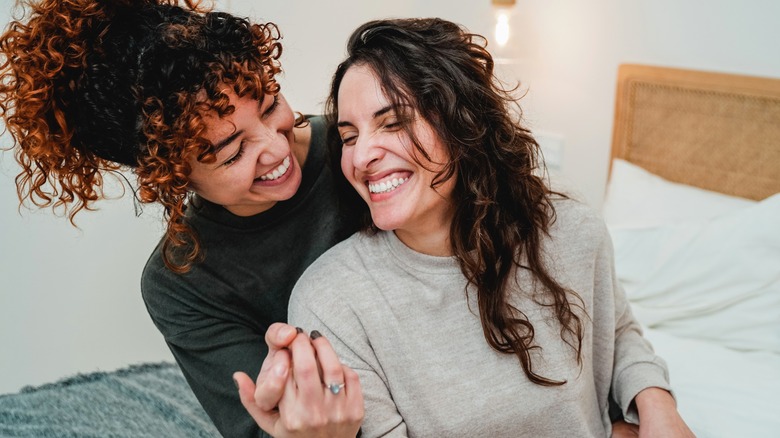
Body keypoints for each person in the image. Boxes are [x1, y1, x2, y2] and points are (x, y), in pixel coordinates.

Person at [284, 17, 696, 437]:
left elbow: (617, 329)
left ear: (461, 123)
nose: (362, 155)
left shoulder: (568, 226)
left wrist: (655, 401)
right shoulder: (331, 303)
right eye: (349, 136)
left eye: (393, 123)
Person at [0, 1, 362, 437]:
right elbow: (264, 426)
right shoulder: (182, 282)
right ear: (172, 176)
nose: (277, 148)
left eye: (269, 106)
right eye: (233, 152)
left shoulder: (362, 147)